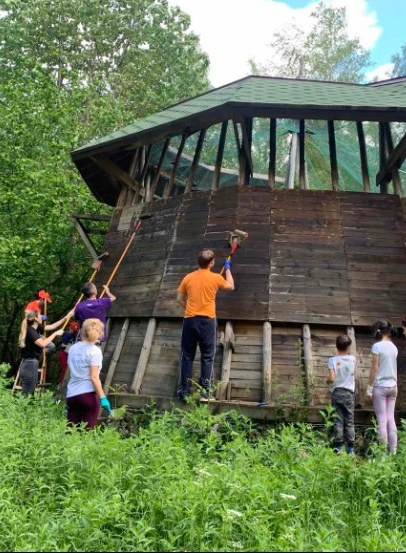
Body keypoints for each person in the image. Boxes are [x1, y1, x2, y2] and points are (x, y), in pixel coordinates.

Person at [176, 249, 234, 401]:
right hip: (207, 321)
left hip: (190, 320)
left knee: (187, 356)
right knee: (207, 357)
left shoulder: (188, 277)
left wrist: (189, 309)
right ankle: (205, 393)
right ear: (212, 263)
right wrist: (227, 268)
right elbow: (231, 286)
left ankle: (184, 393)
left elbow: (179, 298)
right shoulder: (215, 278)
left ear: (199, 262)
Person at [66, 318, 112, 430]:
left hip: (72, 395)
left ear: (82, 331)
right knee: (86, 433)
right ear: (100, 333)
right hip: (88, 396)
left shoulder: (73, 348)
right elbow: (94, 377)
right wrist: (103, 398)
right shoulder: (94, 351)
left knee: (70, 432)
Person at [18, 308, 73, 394]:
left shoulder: (36, 327)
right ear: (36, 318)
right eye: (40, 316)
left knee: (29, 392)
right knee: (27, 393)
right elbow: (43, 344)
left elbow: (52, 326)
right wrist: (55, 334)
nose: (42, 318)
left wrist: (67, 317)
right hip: (29, 364)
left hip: (31, 363)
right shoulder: (30, 331)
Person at [366, 318, 398, 455]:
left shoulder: (377, 346)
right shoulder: (394, 347)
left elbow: (374, 368)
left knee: (382, 420)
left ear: (378, 331)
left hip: (380, 386)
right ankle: (394, 453)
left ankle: (382, 455)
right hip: (393, 386)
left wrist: (369, 387)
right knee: (391, 419)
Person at [326, 334, 356, 454]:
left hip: (337, 392)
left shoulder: (332, 360)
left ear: (336, 346)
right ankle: (351, 448)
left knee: (338, 419)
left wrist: (327, 381)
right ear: (348, 347)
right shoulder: (352, 359)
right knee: (349, 419)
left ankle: (338, 447)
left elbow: (332, 378)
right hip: (349, 393)